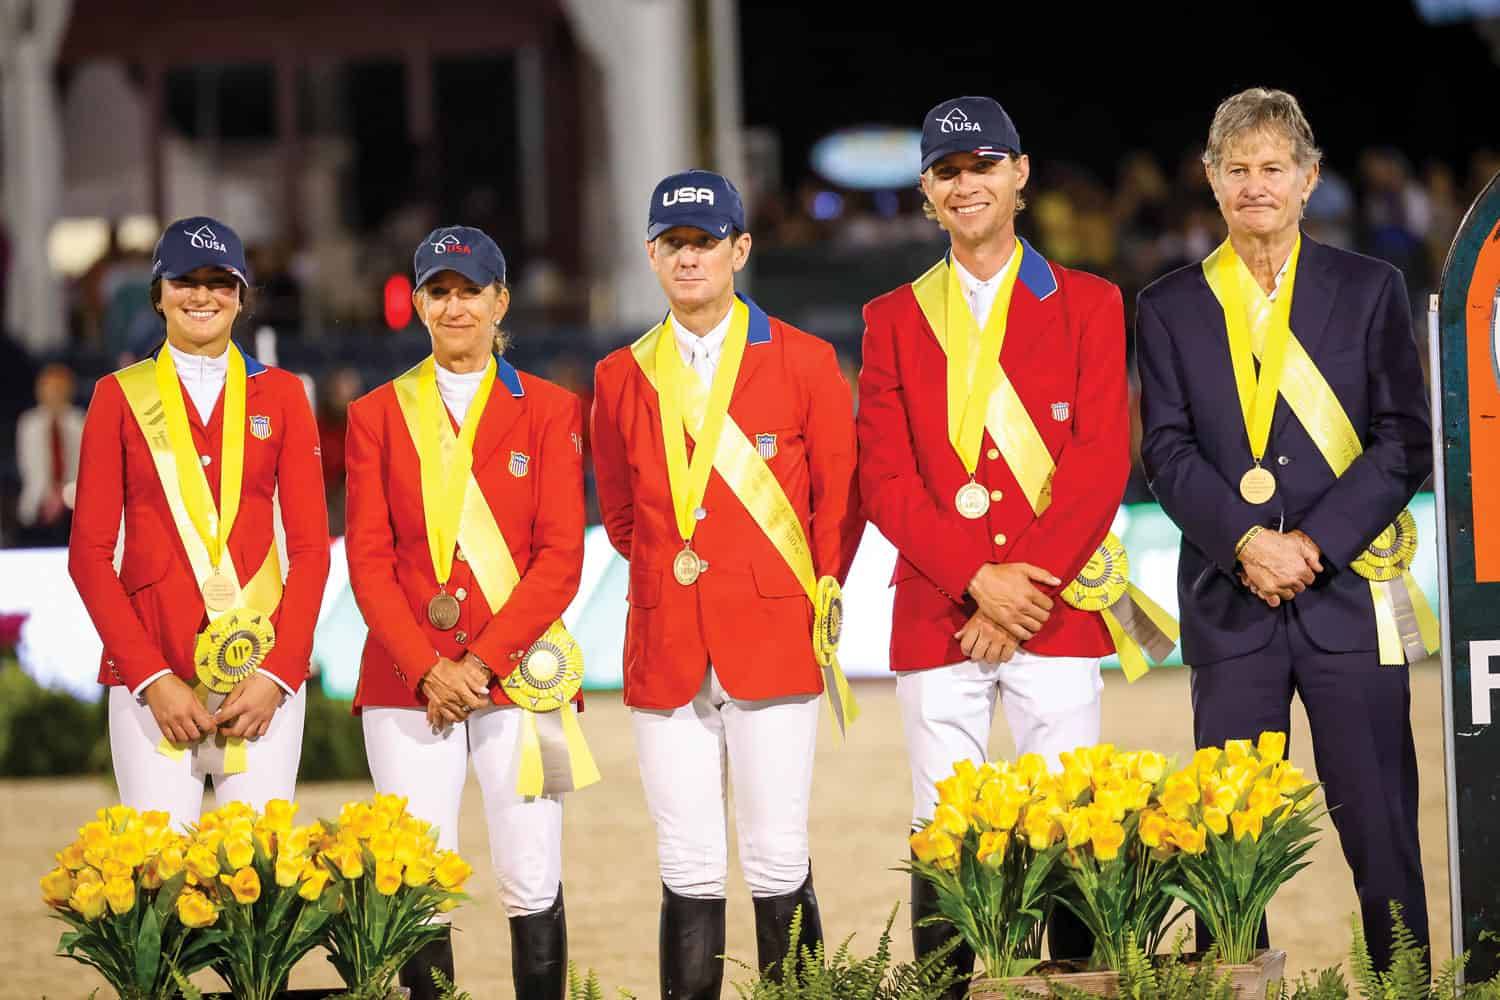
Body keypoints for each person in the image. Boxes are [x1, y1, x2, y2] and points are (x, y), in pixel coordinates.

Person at [1136, 87, 1431, 971]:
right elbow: (1166, 449)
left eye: (1273, 168)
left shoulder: (1370, 288)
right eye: (1237, 169)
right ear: (1211, 181)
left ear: (1309, 180)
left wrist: (1311, 544)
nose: (1254, 185)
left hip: (1346, 601)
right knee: (1229, 853)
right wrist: (1246, 543)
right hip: (1232, 606)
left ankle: (1406, 986)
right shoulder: (1169, 304)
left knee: (1381, 831)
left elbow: (1403, 439)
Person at [857, 96, 1132, 988]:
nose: (966, 184)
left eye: (983, 166)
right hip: (943, 606)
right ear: (927, 194)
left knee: (1068, 813)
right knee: (946, 822)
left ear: (1020, 175)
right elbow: (885, 477)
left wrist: (1022, 587)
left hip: (1051, 608)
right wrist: (979, 579)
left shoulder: (1090, 303)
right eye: (947, 172)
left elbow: (1098, 460)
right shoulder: (891, 317)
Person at [591, 170, 862, 998]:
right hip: (666, 639)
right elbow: (626, 517)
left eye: (705, 242)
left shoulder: (808, 361)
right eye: (673, 243)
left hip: (774, 635)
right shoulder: (618, 376)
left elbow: (839, 504)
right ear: (650, 255)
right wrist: (680, 583)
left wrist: (815, 594)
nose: (689, 257)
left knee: (778, 853)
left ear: (740, 249)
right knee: (689, 863)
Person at [345, 225, 589, 1000]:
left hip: (517, 678)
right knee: (418, 875)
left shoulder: (549, 410)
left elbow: (560, 558)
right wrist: (429, 667)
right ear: (418, 304)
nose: (456, 307)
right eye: (439, 292)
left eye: (470, 291)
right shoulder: (376, 415)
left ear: (500, 301)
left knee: (530, 871)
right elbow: (369, 562)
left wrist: (479, 662)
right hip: (407, 680)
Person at [68, 216, 330, 826]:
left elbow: (313, 550)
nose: (203, 295)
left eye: (221, 281)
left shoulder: (286, 396)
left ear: (242, 296)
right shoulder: (117, 397)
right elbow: (88, 555)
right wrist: (152, 677)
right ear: (158, 292)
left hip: (261, 682)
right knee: (160, 892)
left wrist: (280, 672)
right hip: (152, 686)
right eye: (186, 280)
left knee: (260, 886)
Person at [16, 362, 84, 547]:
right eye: (49, 388)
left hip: (73, 505)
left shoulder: (80, 422)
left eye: (59, 388)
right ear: (39, 391)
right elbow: (29, 468)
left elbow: (83, 468)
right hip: (38, 507)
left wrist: (62, 497)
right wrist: (48, 499)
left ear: (69, 390)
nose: (54, 393)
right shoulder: (28, 424)